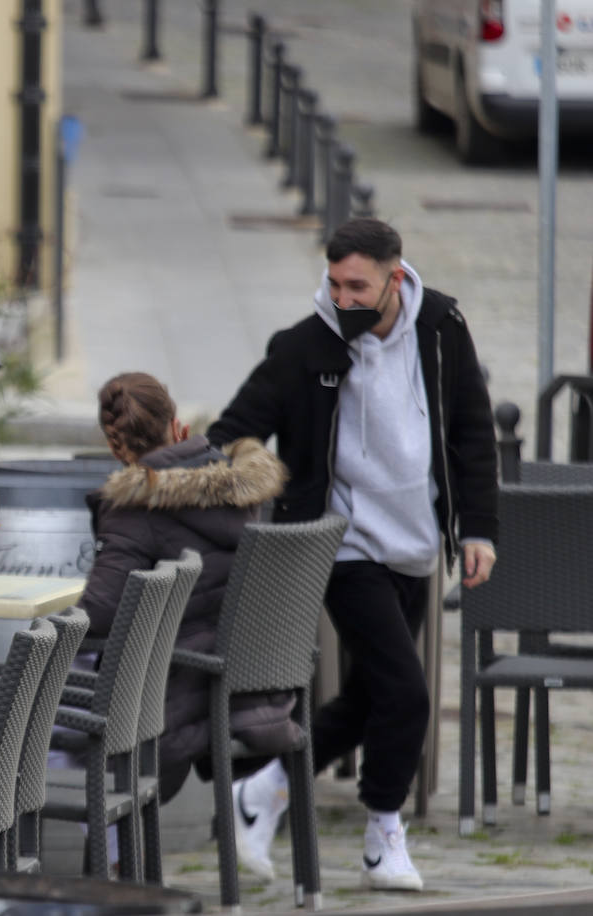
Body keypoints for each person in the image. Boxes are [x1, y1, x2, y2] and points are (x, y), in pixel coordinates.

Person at [206, 218, 498, 891]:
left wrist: (478, 529)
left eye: (357, 285)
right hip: (341, 544)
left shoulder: (442, 329)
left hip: (416, 543)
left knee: (370, 700)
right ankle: (382, 837)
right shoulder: (306, 346)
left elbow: (473, 435)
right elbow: (233, 432)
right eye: (334, 283)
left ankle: (265, 788)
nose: (343, 298)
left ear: (396, 279)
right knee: (407, 693)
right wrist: (192, 466)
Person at [77, 372, 293, 802]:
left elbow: (98, 614)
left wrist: (39, 624)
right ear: (178, 428)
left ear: (115, 447)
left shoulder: (136, 507)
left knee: (20, 708)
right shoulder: (244, 492)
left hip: (178, 693)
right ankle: (120, 856)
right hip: (258, 690)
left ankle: (109, 853)